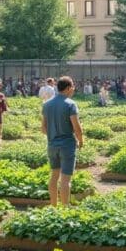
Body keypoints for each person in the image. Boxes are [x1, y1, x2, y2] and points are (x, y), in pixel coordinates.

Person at [42, 76, 83, 206]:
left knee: (54, 177)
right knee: (65, 179)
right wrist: (81, 140)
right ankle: (65, 208)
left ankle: (53, 206)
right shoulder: (70, 103)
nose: (74, 89)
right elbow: (76, 127)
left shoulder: (47, 104)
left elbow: (43, 128)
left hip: (52, 145)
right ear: (68, 88)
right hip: (67, 145)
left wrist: (54, 134)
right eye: (73, 87)